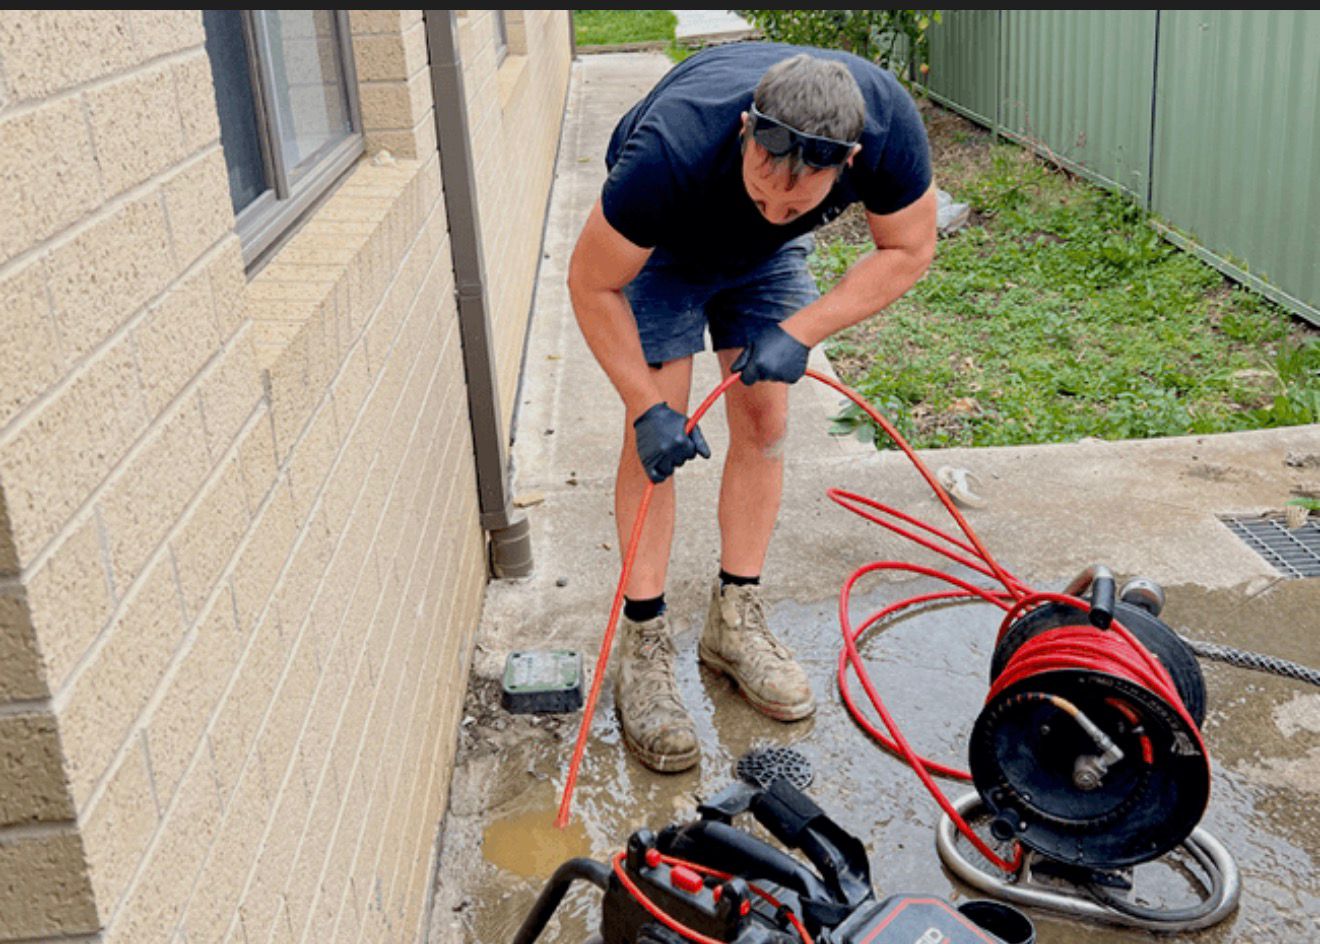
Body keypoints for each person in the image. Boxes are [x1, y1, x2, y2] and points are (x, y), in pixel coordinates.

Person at [566, 42, 936, 773]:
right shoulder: (671, 149)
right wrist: (646, 407)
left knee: (765, 419)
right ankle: (643, 645)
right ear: (745, 131)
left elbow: (909, 247)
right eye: (763, 190)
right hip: (663, 246)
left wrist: (798, 334)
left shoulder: (887, 123)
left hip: (767, 265)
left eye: (796, 203)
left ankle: (733, 621)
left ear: (850, 161)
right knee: (657, 439)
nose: (773, 207)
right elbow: (590, 282)